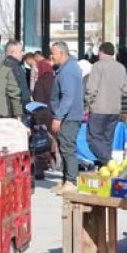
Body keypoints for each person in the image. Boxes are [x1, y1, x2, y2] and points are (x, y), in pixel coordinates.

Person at [85, 42, 127, 166]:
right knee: (107, 140)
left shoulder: (97, 66)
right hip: (115, 109)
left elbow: (91, 89)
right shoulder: (121, 67)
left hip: (99, 109)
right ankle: (105, 168)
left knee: (93, 138)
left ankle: (108, 161)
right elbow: (126, 90)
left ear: (101, 51)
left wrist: (87, 103)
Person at [49, 41, 85, 194]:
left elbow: (68, 96)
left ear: (62, 54)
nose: (51, 57)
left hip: (68, 117)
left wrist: (58, 116)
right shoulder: (66, 68)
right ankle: (65, 180)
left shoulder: (68, 70)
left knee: (68, 148)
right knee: (64, 148)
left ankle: (71, 181)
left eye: (53, 54)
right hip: (67, 116)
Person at [4, 40, 32, 112]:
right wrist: (28, 108)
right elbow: (23, 91)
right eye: (20, 51)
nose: (23, 53)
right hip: (18, 109)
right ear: (12, 52)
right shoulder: (17, 68)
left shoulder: (0, 65)